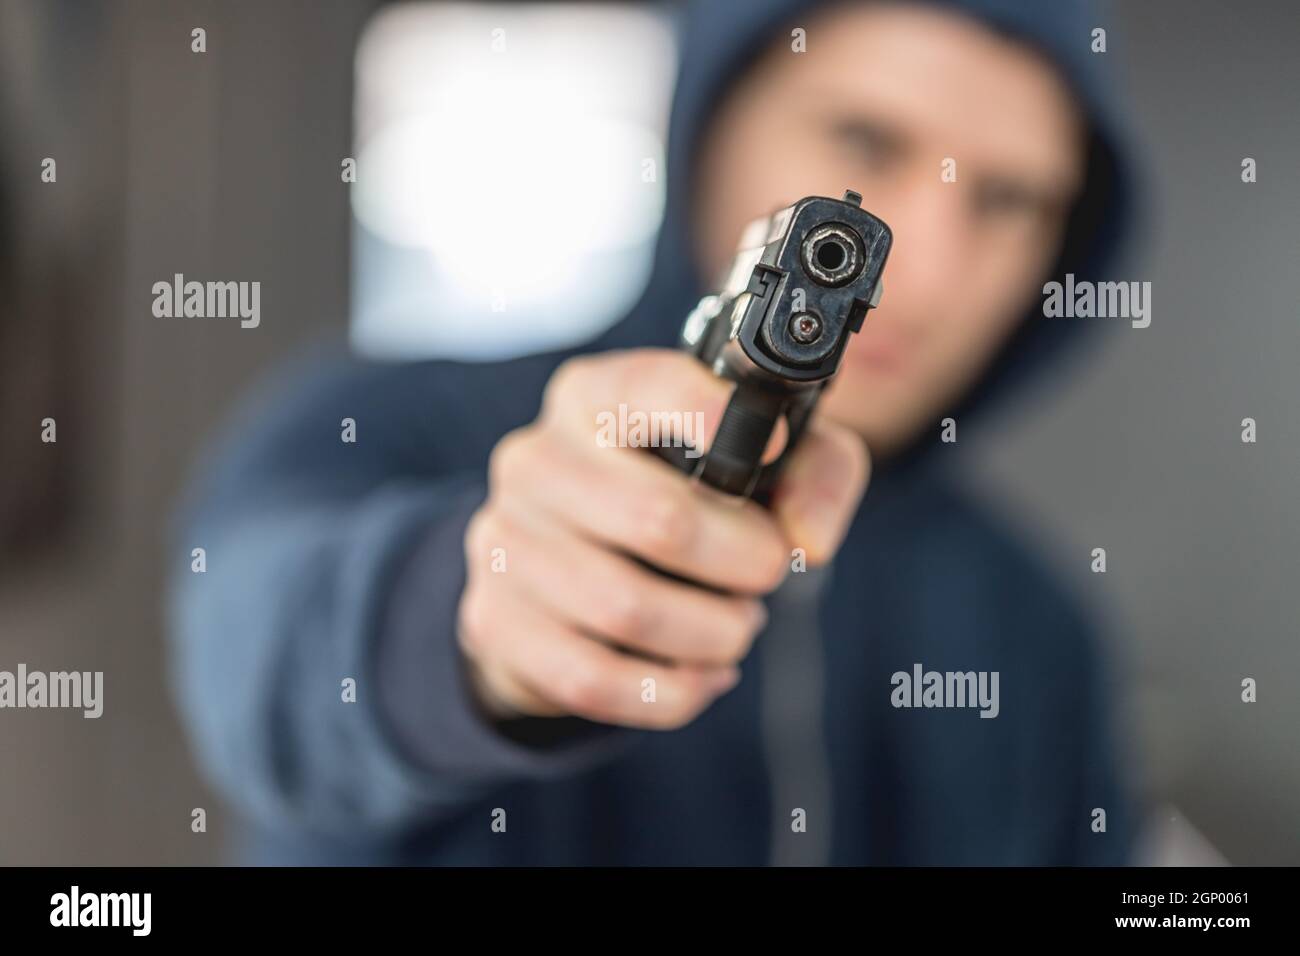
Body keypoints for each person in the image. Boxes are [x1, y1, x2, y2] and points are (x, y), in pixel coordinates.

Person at [170, 0, 1139, 865]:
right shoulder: (372, 427)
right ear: (710, 122)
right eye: (866, 139)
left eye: (1008, 199)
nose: (921, 273)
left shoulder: (1036, 620)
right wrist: (472, 625)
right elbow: (260, 660)